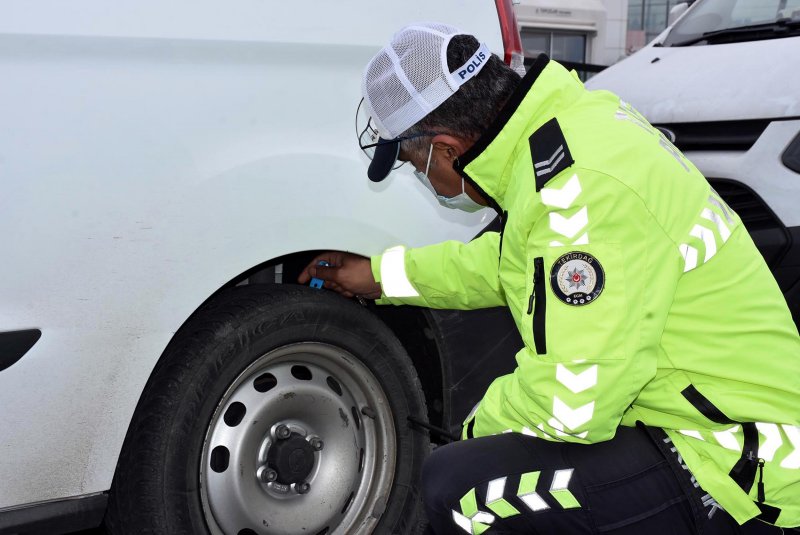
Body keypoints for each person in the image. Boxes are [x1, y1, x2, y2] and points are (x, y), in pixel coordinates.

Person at [298, 22, 800, 534]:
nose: (424, 179)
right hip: (693, 410)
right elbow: (512, 262)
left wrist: (474, 430)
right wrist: (381, 277)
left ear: (445, 149)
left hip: (743, 463)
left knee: (461, 491)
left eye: (414, 164)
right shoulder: (569, 129)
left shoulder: (579, 193)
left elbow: (572, 402)